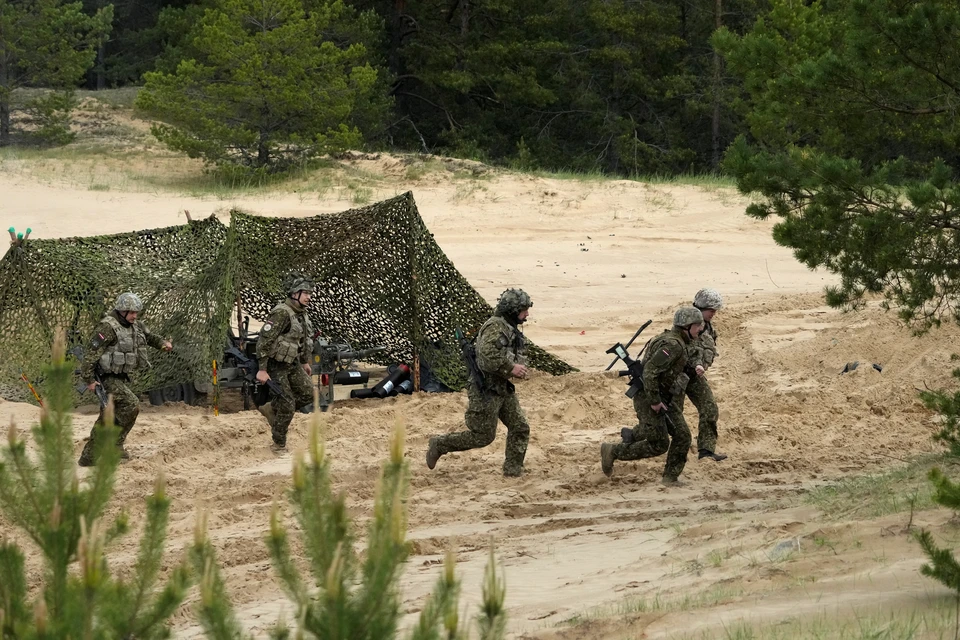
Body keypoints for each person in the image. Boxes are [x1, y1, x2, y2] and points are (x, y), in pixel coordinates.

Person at [426, 288, 532, 477]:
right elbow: (486, 357)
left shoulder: (509, 328)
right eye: (523, 310)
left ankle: (513, 470)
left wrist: (517, 366)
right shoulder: (495, 328)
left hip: (502, 388)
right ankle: (440, 444)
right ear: (512, 310)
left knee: (520, 427)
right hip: (486, 389)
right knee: (483, 436)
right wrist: (511, 368)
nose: (526, 314)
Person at [601, 307, 703, 486]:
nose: (700, 329)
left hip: (664, 397)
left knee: (683, 436)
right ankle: (613, 451)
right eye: (697, 326)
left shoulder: (676, 340)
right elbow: (649, 372)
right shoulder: (673, 345)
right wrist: (655, 401)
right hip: (649, 396)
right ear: (686, 326)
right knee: (659, 443)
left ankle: (670, 479)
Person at [77, 292, 172, 466]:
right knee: (131, 404)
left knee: (110, 416)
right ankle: (111, 447)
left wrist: (162, 344)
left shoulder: (135, 325)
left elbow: (149, 337)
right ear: (121, 311)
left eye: (136, 312)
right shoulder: (107, 328)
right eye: (132, 312)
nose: (135, 316)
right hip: (105, 378)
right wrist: (89, 380)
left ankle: (91, 457)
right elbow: (90, 355)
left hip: (120, 378)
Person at [256, 271, 316, 451]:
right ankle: (278, 444)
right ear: (294, 293)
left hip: (292, 364)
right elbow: (263, 341)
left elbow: (304, 340)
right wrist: (262, 369)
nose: (309, 297)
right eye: (305, 293)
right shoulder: (282, 313)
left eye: (309, 293)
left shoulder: (302, 314)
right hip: (276, 365)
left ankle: (272, 408)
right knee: (288, 404)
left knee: (307, 393)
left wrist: (305, 362)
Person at [687, 288, 726, 462]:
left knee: (709, 408)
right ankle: (634, 436)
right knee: (665, 417)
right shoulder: (686, 323)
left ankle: (706, 451)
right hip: (675, 376)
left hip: (694, 376)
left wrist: (702, 366)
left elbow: (708, 352)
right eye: (711, 310)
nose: (714, 314)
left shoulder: (709, 329)